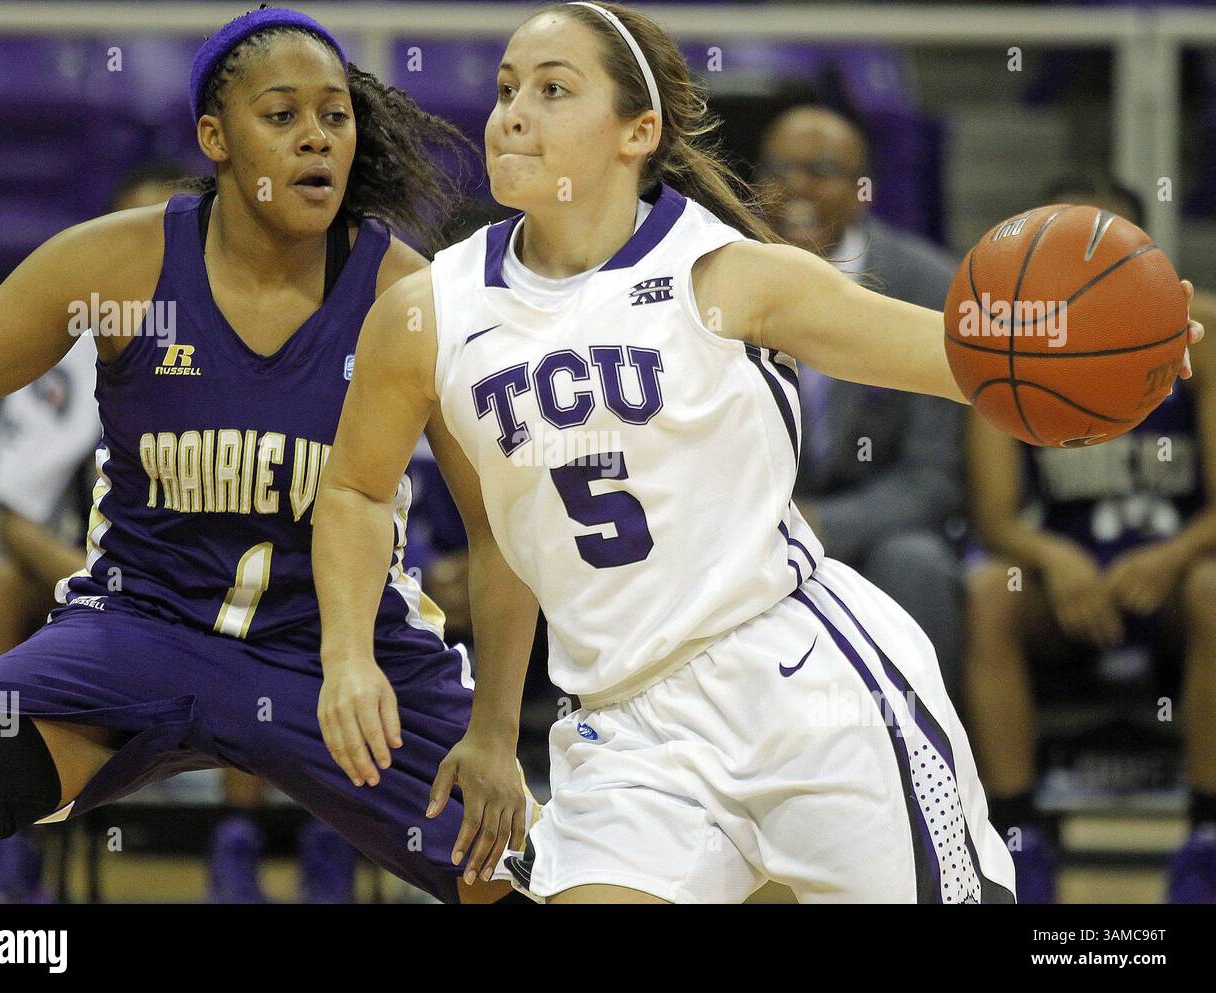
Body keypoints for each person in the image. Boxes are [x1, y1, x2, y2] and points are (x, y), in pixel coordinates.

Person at [311, 1, 1204, 903]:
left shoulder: (728, 274)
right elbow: (357, 489)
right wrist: (358, 660)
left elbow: (966, 360)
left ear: (638, 131)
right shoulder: (432, 309)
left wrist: (1115, 348)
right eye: (507, 89)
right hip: (623, 728)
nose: (512, 112)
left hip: (800, 686)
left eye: (552, 90)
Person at [0, 7, 526, 905]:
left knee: (545, 887)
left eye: (334, 114)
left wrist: (497, 733)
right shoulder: (115, 267)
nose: (315, 137)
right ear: (217, 139)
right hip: (140, 631)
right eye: (281, 116)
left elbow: (501, 532)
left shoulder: (410, 296)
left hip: (343, 655)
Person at [964, 177, 1216, 903]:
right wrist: (1054, 558)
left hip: (1173, 574)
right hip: (1062, 581)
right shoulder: (1007, 341)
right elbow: (995, 517)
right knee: (989, 593)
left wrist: (1171, 558)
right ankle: (1019, 838)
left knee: (1212, 586)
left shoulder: (1198, 340)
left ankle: (1205, 835)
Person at [0, 163, 183, 903]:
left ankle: (245, 847)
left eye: (165, 232)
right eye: (128, 234)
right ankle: (0, 838)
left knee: (269, 612)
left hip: (218, 585)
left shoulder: (251, 337)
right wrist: (94, 582)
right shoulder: (78, 346)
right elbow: (15, 518)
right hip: (102, 577)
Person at [754, 101, 968, 700]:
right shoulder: (716, 272)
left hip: (872, 522)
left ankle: (919, 752)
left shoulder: (927, 284)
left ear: (862, 190)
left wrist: (818, 526)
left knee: (918, 562)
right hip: (744, 520)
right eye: (779, 168)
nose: (795, 186)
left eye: (820, 169)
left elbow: (934, 478)